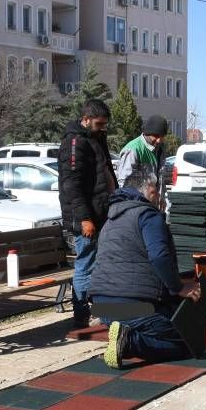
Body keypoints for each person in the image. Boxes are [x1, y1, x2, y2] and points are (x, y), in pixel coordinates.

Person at [91, 171, 201, 368]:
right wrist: (178, 287)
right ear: (144, 191)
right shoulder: (148, 214)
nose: (158, 197)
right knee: (188, 340)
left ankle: (124, 334)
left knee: (159, 322)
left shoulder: (110, 221)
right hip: (133, 306)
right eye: (155, 192)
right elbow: (159, 256)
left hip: (102, 307)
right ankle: (130, 342)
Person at [57, 99, 116, 329]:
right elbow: (72, 185)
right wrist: (85, 218)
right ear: (85, 119)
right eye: (99, 124)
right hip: (86, 218)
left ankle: (98, 309)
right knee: (85, 264)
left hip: (101, 212)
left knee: (98, 264)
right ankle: (81, 314)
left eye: (104, 124)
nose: (102, 128)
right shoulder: (75, 142)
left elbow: (106, 171)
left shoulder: (96, 137)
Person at [116, 115, 167, 187]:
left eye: (162, 136)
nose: (159, 140)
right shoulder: (133, 149)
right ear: (147, 133)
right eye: (156, 136)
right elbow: (124, 183)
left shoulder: (160, 149)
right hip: (136, 194)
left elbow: (161, 180)